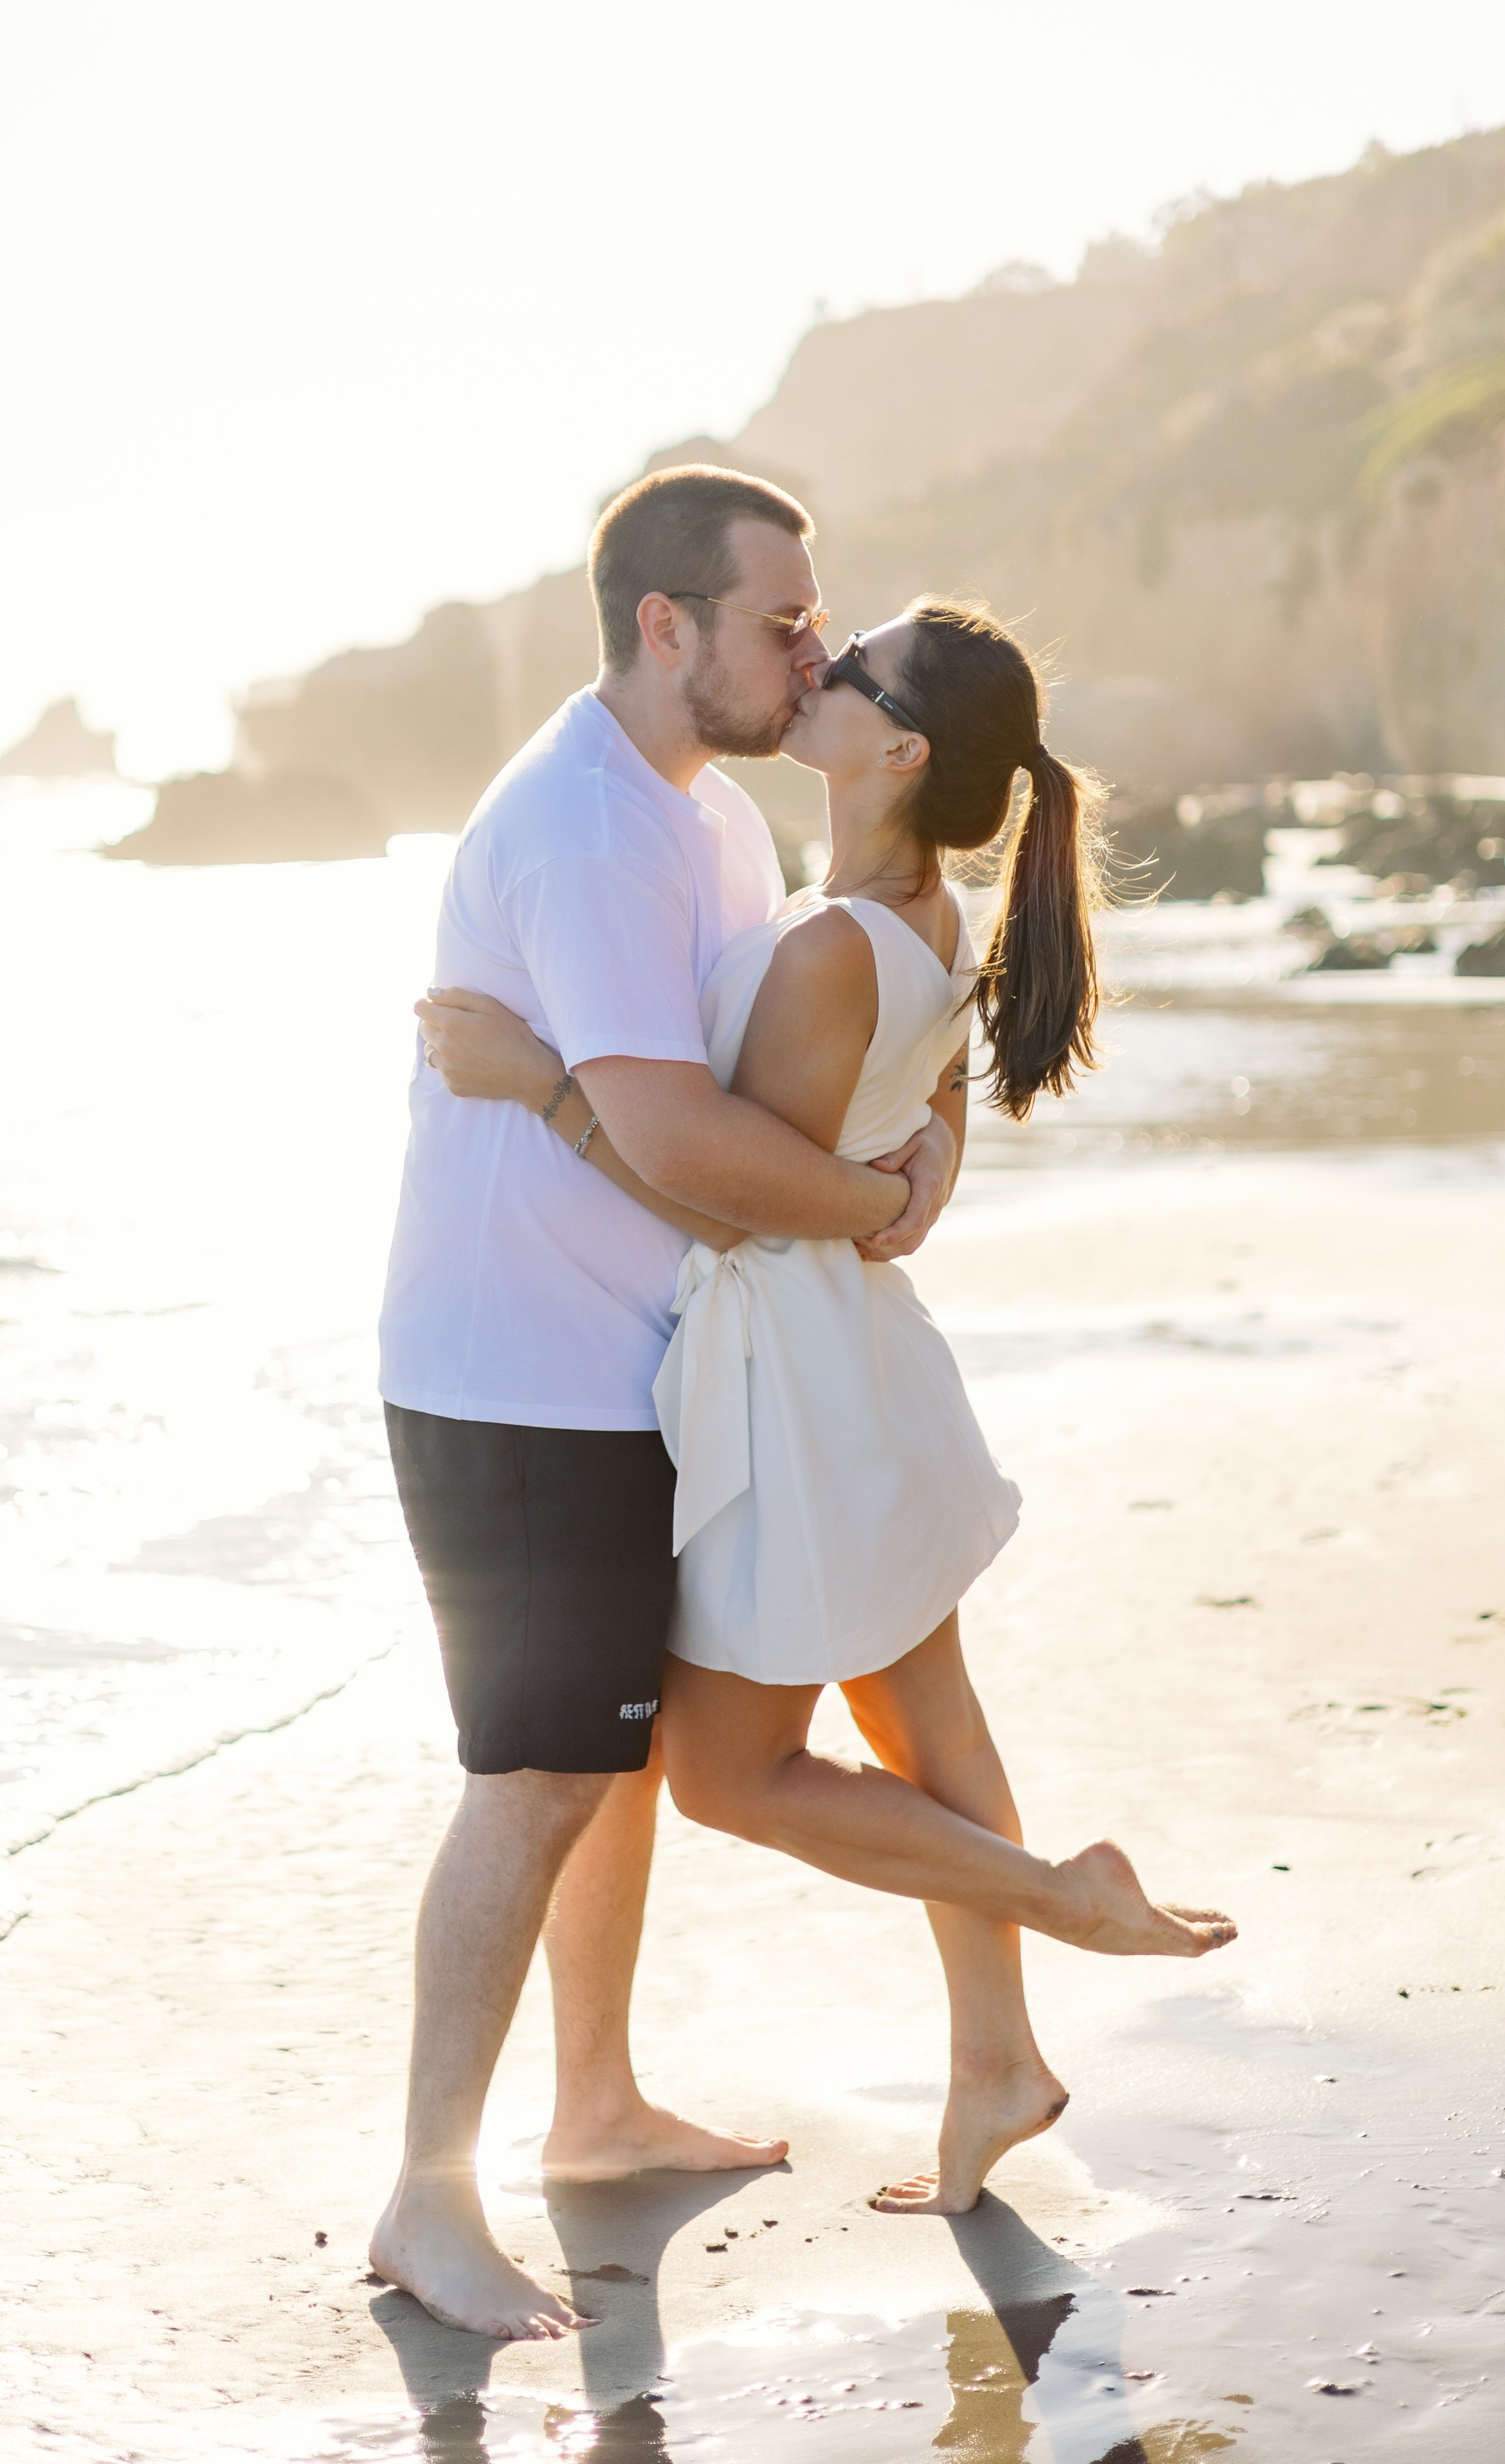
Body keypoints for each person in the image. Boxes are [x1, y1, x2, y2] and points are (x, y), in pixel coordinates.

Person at [416, 592, 1237, 2235]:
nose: (817, 667)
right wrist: (917, 1175)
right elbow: (917, 1108)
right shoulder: (920, 912)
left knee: (727, 1777)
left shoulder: (823, 946)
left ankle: (1062, 1899)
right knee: (929, 1726)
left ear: (900, 750)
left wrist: (542, 1086)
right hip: (860, 1361)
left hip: (790, 1379)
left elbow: (730, 1200)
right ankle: (995, 2061)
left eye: (849, 666)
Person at [370, 466, 965, 2341]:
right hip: (517, 1375)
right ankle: (426, 2199)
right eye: (784, 623)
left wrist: (906, 1160)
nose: (813, 651)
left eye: (817, 622)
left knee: (611, 1759)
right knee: (540, 1771)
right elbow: (683, 1139)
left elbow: (773, 1080)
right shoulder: (587, 831)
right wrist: (870, 1207)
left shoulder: (704, 814)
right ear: (665, 626)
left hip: (634, 1364)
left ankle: (597, 2106)